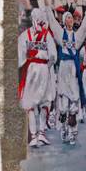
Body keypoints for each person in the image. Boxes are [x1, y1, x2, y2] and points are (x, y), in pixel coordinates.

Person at [45, 0, 86, 145]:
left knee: (74, 105)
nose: (70, 20)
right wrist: (47, 1)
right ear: (64, 21)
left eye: (72, 18)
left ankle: (73, 132)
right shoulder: (61, 34)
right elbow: (52, 21)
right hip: (63, 69)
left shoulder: (78, 36)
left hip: (74, 71)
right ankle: (64, 128)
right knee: (64, 106)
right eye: (68, 18)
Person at [18, 8, 57, 147]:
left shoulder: (24, 35)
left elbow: (20, 58)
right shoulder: (47, 35)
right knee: (45, 101)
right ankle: (41, 134)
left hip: (30, 69)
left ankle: (34, 135)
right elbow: (53, 55)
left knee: (30, 102)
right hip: (43, 69)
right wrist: (47, 66)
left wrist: (27, 64)